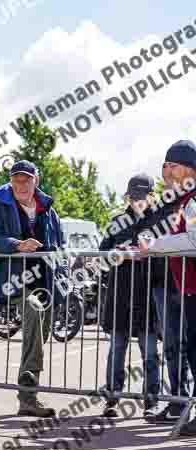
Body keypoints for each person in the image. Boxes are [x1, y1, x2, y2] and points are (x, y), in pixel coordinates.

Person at [0, 160, 68, 418]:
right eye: (16, 179)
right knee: (33, 309)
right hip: (15, 281)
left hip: (47, 281)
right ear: (11, 181)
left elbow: (61, 246)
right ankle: (28, 390)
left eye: (26, 179)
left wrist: (64, 277)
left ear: (35, 181)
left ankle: (29, 391)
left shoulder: (48, 209)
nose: (21, 184)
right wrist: (17, 244)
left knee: (41, 329)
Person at [140, 140, 196, 435]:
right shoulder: (183, 200)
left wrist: (155, 245)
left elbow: (194, 240)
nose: (167, 170)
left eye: (172, 164)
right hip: (188, 286)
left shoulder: (192, 201)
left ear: (188, 168)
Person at [98, 174, 161, 418]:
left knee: (150, 351)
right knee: (117, 348)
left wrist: (150, 253)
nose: (138, 202)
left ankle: (152, 401)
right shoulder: (117, 222)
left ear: (152, 196)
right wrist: (117, 253)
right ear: (128, 196)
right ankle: (112, 399)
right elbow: (101, 253)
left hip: (148, 295)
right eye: (134, 197)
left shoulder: (160, 221)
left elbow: (167, 253)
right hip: (120, 294)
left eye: (142, 197)